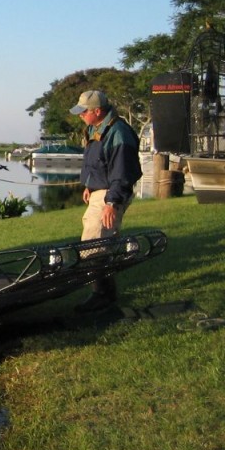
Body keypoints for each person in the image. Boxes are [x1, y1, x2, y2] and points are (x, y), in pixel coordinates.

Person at [70, 89, 143, 312]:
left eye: (84, 112)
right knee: (97, 242)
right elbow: (97, 162)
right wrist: (90, 186)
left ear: (98, 111)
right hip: (99, 191)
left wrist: (111, 203)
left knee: (95, 245)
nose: (80, 115)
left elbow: (122, 172)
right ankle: (104, 293)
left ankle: (102, 295)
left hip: (111, 194)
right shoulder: (96, 128)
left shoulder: (118, 132)